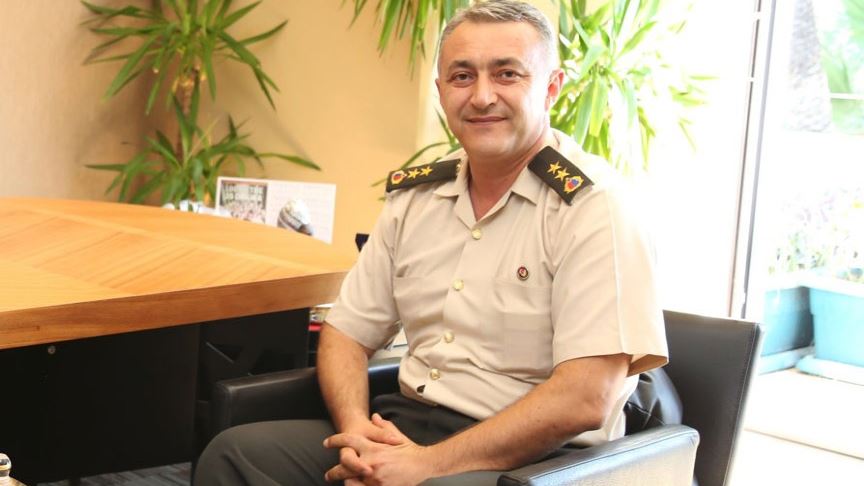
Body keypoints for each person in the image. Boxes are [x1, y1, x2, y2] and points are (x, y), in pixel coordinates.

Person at [194, 1, 667, 484]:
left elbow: (586, 397)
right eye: (462, 77)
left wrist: (424, 466)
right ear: (441, 91)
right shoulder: (416, 198)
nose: (482, 96)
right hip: (407, 423)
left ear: (550, 88)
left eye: (506, 74)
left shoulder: (595, 208)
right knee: (235, 456)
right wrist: (358, 436)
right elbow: (346, 333)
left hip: (537, 458)